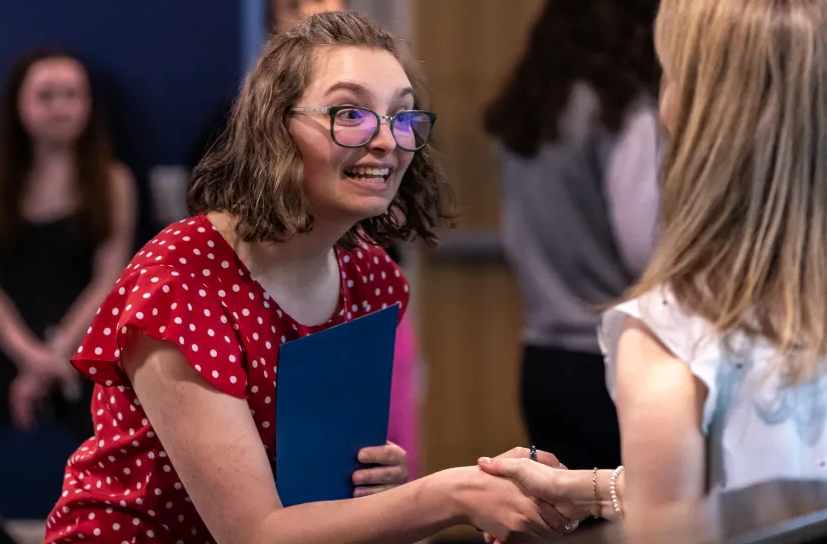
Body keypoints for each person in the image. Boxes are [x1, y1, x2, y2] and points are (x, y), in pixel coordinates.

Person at [43, 12, 585, 544]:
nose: (388, 141)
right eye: (349, 113)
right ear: (274, 128)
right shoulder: (182, 281)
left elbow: (320, 495)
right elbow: (256, 533)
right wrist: (447, 496)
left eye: (402, 116)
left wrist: (409, 489)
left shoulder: (370, 275)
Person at [478, 0, 827, 531]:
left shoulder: (669, 341)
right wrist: (593, 488)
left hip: (547, 353)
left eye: (670, 74)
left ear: (699, 113)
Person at [483, 0, 662, 473]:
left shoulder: (531, 108)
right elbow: (644, 247)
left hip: (543, 359)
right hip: (614, 362)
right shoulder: (619, 109)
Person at [0, 50, 136, 448]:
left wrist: (57, 356)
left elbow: (109, 281)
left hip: (84, 356)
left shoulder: (113, 182)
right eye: (46, 95)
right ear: (18, 105)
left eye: (72, 95)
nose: (61, 108)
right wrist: (30, 357)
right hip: (7, 354)